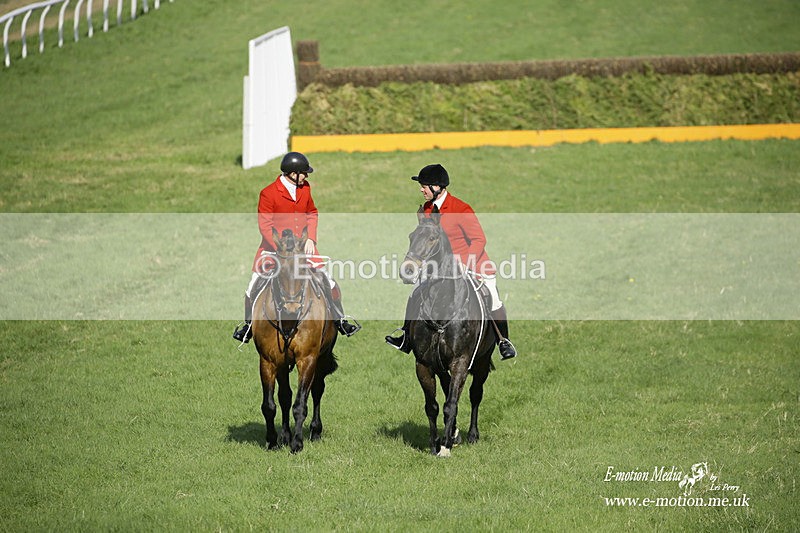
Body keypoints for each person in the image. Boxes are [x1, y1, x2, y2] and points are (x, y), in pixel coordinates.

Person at [385, 163, 517, 359]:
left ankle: (503, 341)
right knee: (415, 293)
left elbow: (479, 239)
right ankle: (405, 335)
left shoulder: (461, 208)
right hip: (439, 269)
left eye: (424, 185)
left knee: (492, 296)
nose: (421, 189)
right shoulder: (428, 210)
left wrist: (465, 263)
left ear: (437, 187)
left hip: (472, 265)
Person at [233, 152, 360, 343]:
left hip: (303, 248)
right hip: (275, 250)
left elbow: (312, 213)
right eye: (304, 173)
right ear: (293, 173)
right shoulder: (268, 193)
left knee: (329, 281)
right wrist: (281, 248)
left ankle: (340, 320)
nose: (307, 176)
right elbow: (265, 225)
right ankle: (249, 326)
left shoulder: (305, 188)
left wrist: (311, 239)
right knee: (252, 286)